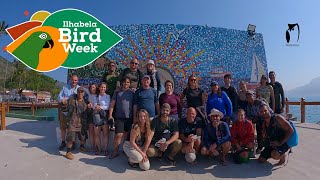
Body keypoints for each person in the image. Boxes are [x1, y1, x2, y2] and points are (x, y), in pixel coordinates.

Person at [108, 77, 134, 159]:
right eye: (125, 82)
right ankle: (115, 151)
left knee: (127, 136)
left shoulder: (132, 92)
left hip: (129, 117)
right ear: (122, 83)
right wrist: (110, 115)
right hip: (119, 117)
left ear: (129, 84)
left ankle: (126, 151)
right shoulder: (117, 92)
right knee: (118, 135)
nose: (126, 83)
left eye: (128, 82)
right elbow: (112, 104)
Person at [57, 74, 81, 150]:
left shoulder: (79, 89)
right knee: (63, 127)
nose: (74, 81)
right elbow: (59, 97)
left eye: (75, 80)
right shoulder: (65, 87)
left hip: (74, 112)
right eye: (73, 80)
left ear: (77, 81)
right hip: (65, 111)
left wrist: (66, 99)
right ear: (70, 80)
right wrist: (63, 100)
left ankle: (72, 142)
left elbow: (83, 98)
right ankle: (63, 142)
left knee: (72, 128)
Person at [65, 87, 88, 160]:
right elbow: (65, 108)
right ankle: (68, 152)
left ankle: (81, 147)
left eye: (82, 92)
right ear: (77, 93)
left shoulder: (86, 102)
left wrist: (90, 108)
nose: (80, 93)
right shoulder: (71, 100)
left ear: (83, 93)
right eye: (79, 92)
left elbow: (88, 113)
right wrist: (64, 102)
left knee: (83, 137)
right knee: (70, 138)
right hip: (72, 121)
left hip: (81, 123)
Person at [92, 82, 111, 156]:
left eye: (104, 87)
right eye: (101, 87)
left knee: (106, 134)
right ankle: (99, 149)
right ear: (99, 88)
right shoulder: (95, 96)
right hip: (97, 116)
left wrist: (99, 107)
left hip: (104, 116)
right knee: (97, 134)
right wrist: (96, 107)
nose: (103, 89)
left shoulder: (108, 96)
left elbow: (108, 106)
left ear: (106, 88)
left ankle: (105, 149)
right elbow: (94, 106)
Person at [87, 83, 99, 151]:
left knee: (96, 132)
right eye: (91, 87)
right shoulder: (89, 95)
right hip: (90, 114)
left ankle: (97, 145)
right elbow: (89, 103)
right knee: (91, 131)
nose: (92, 89)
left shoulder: (98, 95)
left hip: (97, 115)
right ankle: (93, 146)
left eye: (94, 87)